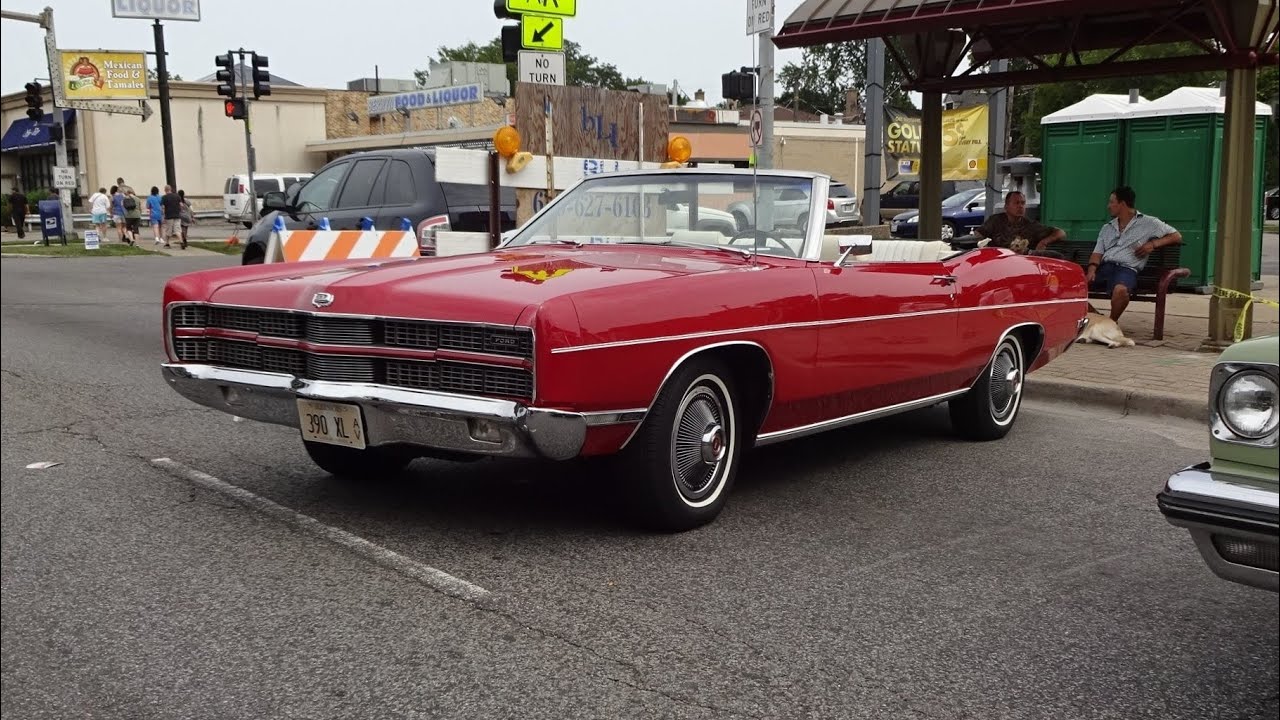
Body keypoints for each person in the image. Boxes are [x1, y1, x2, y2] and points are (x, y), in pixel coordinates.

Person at [1087, 185, 1181, 322]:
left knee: (1121, 291)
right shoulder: (1107, 227)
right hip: (1105, 267)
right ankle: (1098, 319)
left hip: (1126, 269)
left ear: (1122, 204)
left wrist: (1153, 244)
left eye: (1112, 202)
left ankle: (1112, 322)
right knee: (1070, 289)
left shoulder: (1149, 223)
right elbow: (1097, 252)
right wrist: (1091, 269)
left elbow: (1176, 236)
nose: (1108, 206)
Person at [973, 190, 1065, 254]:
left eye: (1023, 203)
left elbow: (1061, 233)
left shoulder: (1031, 225)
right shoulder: (995, 221)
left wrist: (1044, 242)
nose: (1020, 206)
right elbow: (978, 234)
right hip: (997, 262)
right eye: (1016, 203)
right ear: (1006, 207)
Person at [161, 184, 185, 249]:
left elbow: (163, 207)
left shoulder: (164, 197)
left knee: (168, 230)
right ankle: (181, 242)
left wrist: (163, 216)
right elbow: (182, 205)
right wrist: (180, 210)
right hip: (177, 215)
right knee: (177, 230)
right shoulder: (177, 196)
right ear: (170, 189)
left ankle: (167, 243)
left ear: (165, 190)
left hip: (169, 216)